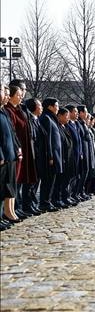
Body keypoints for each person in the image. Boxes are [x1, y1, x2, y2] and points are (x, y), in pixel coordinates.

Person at [4, 84, 37, 219]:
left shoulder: (20, 109)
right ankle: (11, 210)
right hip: (15, 150)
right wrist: (18, 147)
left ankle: (14, 209)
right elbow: (13, 131)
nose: (21, 96)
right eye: (18, 94)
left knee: (18, 180)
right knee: (13, 181)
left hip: (23, 149)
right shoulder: (8, 111)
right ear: (11, 96)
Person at [1, 84, 21, 225]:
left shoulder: (4, 112)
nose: (7, 96)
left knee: (7, 188)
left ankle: (4, 215)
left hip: (10, 156)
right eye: (4, 92)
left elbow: (12, 134)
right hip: (2, 157)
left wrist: (17, 148)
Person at [38, 98, 62, 212]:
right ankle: (44, 202)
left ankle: (48, 201)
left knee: (52, 179)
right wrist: (51, 155)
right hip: (50, 155)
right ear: (50, 107)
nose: (58, 108)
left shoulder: (51, 118)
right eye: (56, 106)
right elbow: (47, 139)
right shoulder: (46, 118)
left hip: (56, 154)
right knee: (47, 180)